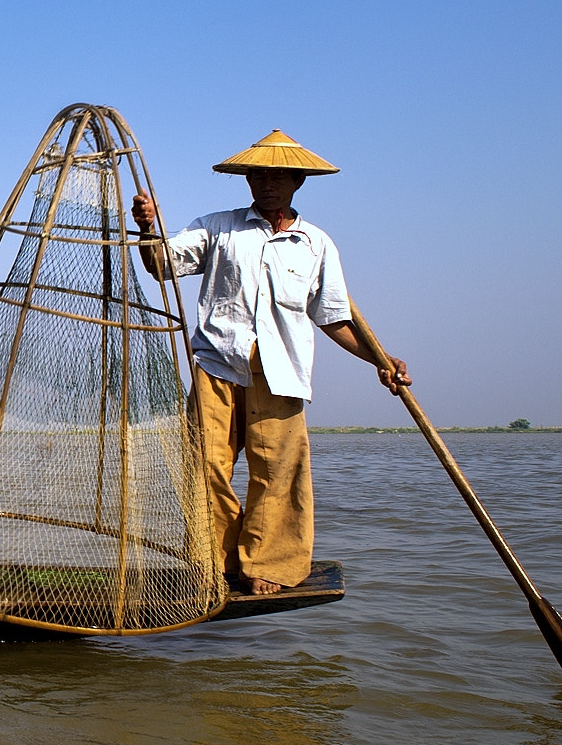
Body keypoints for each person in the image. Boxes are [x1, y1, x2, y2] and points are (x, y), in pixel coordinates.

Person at [131, 130, 410, 595]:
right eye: (259, 176)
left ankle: (266, 563)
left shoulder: (315, 244)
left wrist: (378, 360)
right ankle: (214, 559)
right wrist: (148, 228)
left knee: (277, 473)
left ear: (298, 182)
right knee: (203, 465)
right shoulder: (218, 227)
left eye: (278, 177)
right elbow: (161, 264)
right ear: (248, 180)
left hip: (281, 373)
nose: (267, 185)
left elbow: (334, 318)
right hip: (218, 365)